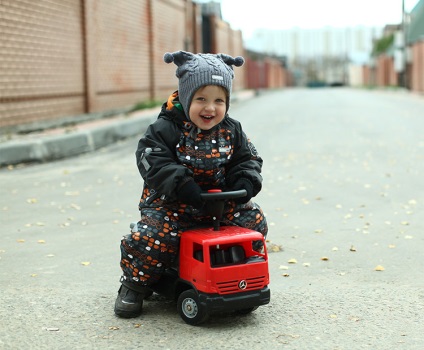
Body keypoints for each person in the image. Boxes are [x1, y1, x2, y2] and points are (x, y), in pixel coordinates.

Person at [114, 50, 268, 318]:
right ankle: (134, 284)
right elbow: (153, 160)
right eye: (201, 99)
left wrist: (244, 179)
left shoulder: (232, 129)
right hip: (172, 202)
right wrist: (181, 184)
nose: (210, 108)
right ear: (186, 97)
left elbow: (248, 158)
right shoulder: (165, 129)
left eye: (219, 100)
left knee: (254, 221)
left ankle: (235, 275)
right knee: (154, 237)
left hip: (220, 201)